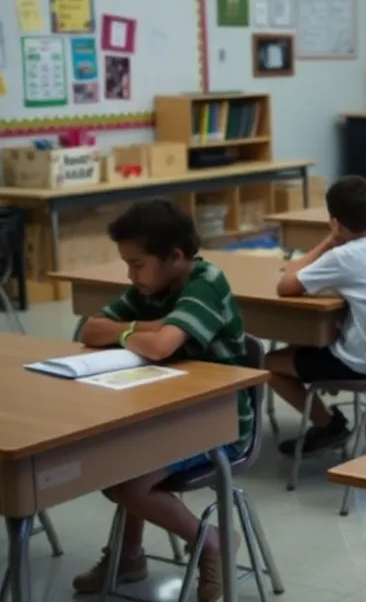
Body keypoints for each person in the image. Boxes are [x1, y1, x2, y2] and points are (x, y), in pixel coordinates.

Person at [74, 199, 251, 601]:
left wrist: (138, 332)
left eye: (137, 264)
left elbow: (160, 346)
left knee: (129, 481)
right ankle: (130, 555)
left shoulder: (206, 281)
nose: (131, 274)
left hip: (218, 423)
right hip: (166, 414)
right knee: (113, 463)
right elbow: (91, 328)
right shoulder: (151, 288)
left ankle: (212, 542)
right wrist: (143, 326)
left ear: (175, 256)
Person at [269, 175, 366, 456]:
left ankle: (328, 426)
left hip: (364, 363)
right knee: (304, 346)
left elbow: (285, 284)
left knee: (268, 364)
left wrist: (328, 242)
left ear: (335, 222)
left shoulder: (344, 257)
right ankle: (326, 420)